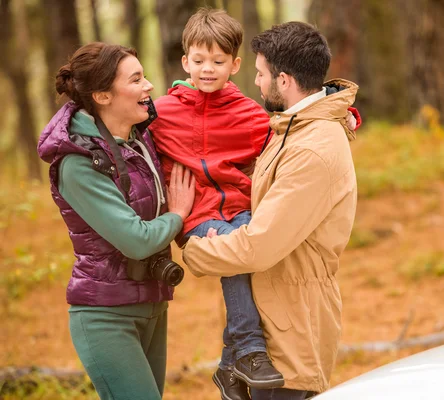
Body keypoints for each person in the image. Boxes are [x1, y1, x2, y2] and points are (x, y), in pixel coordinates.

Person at [149, 9, 358, 400]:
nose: (256, 83)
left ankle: (240, 354)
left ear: (283, 79)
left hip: (291, 318)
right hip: (275, 306)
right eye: (198, 61)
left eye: (260, 74)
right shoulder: (291, 127)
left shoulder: (305, 143)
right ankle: (237, 357)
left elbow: (257, 247)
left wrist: (193, 251)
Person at [37, 42, 195, 400]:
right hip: (107, 317)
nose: (149, 86)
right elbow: (135, 240)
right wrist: (178, 214)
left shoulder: (139, 140)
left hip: (153, 303)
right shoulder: (78, 163)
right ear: (103, 95)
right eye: (136, 79)